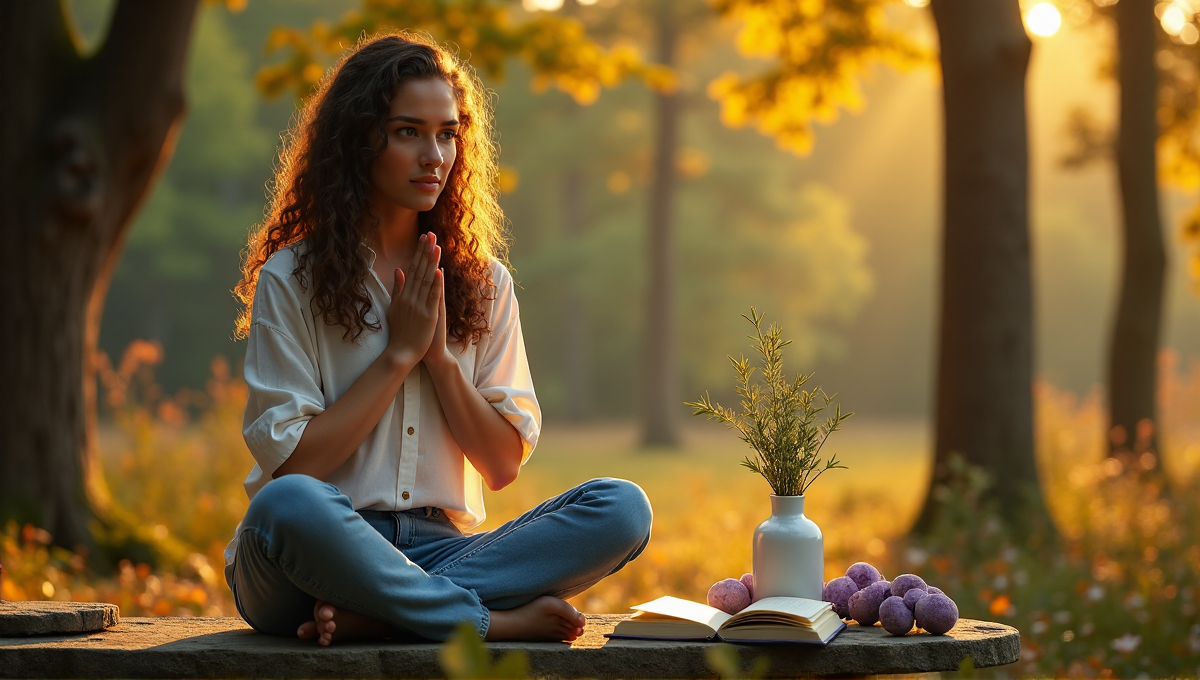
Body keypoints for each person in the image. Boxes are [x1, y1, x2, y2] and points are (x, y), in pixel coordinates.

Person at [224, 32, 653, 647]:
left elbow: (502, 464)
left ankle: (386, 614)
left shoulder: (484, 283)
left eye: (448, 134)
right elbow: (295, 465)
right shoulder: (292, 277)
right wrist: (397, 356)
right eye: (408, 132)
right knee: (284, 504)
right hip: (311, 556)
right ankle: (480, 620)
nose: (435, 156)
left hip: (442, 549)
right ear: (359, 139)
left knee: (622, 508)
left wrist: (440, 361)